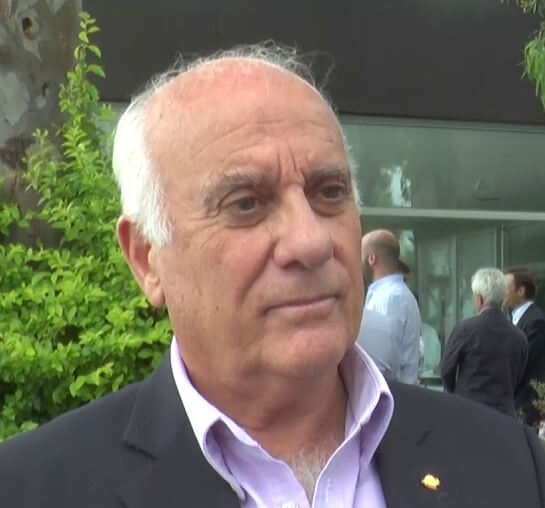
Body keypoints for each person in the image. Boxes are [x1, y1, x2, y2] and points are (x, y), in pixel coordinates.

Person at [0, 45, 544, 508]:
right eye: (245, 203)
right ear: (147, 258)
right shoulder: (31, 488)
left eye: (329, 192)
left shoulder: (511, 464)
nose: (310, 242)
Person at [441, 268, 528, 416]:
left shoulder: (465, 330)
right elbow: (520, 379)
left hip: (468, 412)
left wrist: (458, 394)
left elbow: (446, 370)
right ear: (503, 298)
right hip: (504, 415)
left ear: (479, 299)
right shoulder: (519, 337)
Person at [356, 230, 421, 384]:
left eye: (360, 257)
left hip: (392, 391)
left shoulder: (390, 298)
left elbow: (382, 360)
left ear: (371, 259)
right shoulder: (392, 294)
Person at [504, 267, 545, 428]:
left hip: (527, 405)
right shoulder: (515, 318)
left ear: (520, 291)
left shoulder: (536, 322)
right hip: (515, 403)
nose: (501, 292)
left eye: (505, 288)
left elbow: (523, 362)